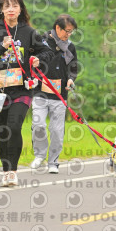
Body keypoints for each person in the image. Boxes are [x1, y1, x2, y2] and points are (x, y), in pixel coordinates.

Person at [0, 0, 54, 187]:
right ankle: (5, 171)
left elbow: (47, 52)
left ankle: (12, 172)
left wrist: (37, 59)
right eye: (7, 6)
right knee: (2, 132)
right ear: (1, 10)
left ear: (21, 10)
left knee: (14, 127)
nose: (11, 9)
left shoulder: (29, 32)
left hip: (21, 89)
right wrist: (2, 47)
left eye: (15, 6)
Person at [30, 14, 79, 174]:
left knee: (57, 131)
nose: (68, 35)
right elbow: (30, 60)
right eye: (67, 31)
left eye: (71, 32)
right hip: (40, 92)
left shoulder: (70, 47)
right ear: (58, 28)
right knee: (38, 125)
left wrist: (71, 79)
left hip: (59, 95)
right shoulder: (41, 41)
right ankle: (39, 155)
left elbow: (73, 68)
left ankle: (53, 162)